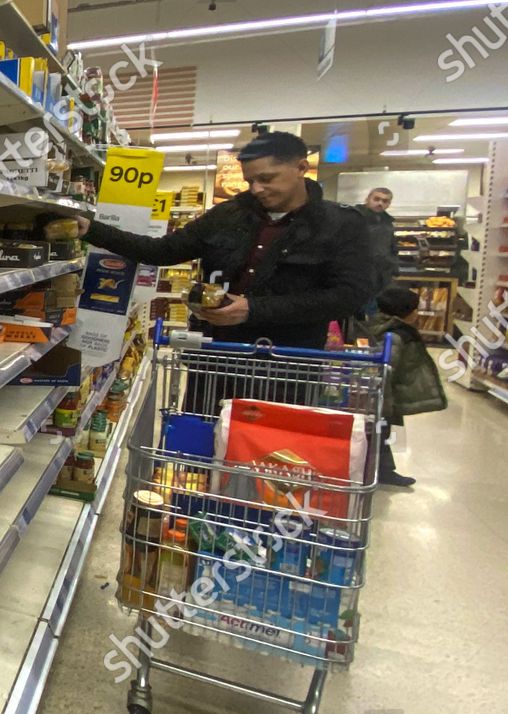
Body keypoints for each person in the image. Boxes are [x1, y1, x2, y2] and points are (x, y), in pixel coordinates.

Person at [74, 131, 373, 350]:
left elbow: (349, 296)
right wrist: (90, 229)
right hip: (216, 353)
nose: (256, 189)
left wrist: (253, 309)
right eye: (250, 180)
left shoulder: (342, 224)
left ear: (301, 168)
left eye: (267, 178)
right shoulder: (229, 214)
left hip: (286, 360)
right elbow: (161, 251)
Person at [366, 284, 449, 488]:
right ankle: (383, 471)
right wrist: (385, 401)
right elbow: (387, 370)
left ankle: (384, 469)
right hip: (387, 395)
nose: (417, 313)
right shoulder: (395, 335)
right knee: (383, 433)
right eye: (414, 309)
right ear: (404, 312)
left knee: (386, 433)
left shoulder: (383, 327)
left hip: (389, 394)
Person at [357, 186, 399, 316]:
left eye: (385, 201)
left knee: (375, 313)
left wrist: (394, 267)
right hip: (359, 274)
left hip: (382, 275)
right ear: (368, 199)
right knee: (358, 313)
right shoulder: (355, 217)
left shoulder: (387, 222)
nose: (380, 203)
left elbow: (391, 246)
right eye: (376, 199)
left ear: (389, 204)